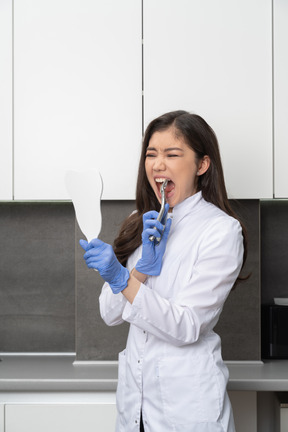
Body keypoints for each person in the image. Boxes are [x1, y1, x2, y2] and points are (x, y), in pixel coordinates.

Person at [80, 110, 247, 432]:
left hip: (186, 407)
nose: (157, 165)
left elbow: (186, 326)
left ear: (202, 165)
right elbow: (110, 313)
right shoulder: (139, 220)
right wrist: (139, 272)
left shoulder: (221, 231)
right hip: (135, 405)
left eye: (172, 154)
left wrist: (120, 278)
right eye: (151, 154)